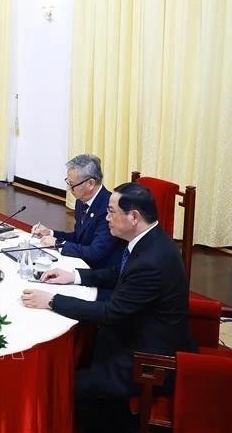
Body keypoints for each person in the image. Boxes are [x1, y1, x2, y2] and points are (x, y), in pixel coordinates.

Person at [21, 182, 196, 433]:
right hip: (139, 331)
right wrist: (75, 276)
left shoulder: (152, 260)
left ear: (134, 217)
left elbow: (109, 313)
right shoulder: (150, 239)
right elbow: (119, 273)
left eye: (111, 212)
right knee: (75, 353)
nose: (106, 218)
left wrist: (51, 300)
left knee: (69, 384)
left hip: (148, 358)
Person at [32, 154, 126, 270]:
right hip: (82, 261)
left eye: (72, 185)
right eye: (68, 183)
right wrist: (50, 233)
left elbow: (95, 253)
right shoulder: (82, 200)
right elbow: (79, 237)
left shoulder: (108, 209)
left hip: (100, 271)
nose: (69, 190)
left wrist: (57, 243)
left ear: (90, 184)